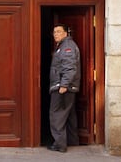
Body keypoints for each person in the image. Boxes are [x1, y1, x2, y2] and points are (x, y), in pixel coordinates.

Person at [48, 23, 81, 153]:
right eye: (54, 32)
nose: (56, 34)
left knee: (57, 115)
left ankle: (59, 145)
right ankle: (73, 141)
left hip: (62, 87)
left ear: (65, 33)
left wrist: (63, 85)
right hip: (67, 87)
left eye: (58, 32)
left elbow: (70, 67)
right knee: (69, 115)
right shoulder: (63, 46)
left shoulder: (67, 47)